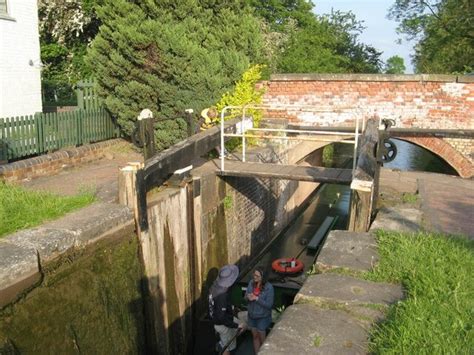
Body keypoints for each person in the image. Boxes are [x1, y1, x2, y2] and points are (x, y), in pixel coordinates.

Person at [209, 264, 244, 354]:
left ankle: (223, 341)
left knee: (243, 325)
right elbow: (221, 317)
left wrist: (230, 308)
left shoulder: (214, 287)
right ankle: (222, 344)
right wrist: (235, 326)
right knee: (227, 347)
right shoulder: (222, 295)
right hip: (222, 325)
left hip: (215, 319)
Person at [245, 266, 274, 354]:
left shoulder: (269, 288)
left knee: (263, 340)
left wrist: (257, 299)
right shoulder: (251, 283)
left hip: (262, 317)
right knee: (255, 337)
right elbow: (246, 295)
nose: (255, 277)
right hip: (252, 316)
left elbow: (269, 305)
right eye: (254, 275)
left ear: (263, 277)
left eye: (257, 276)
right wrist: (247, 297)